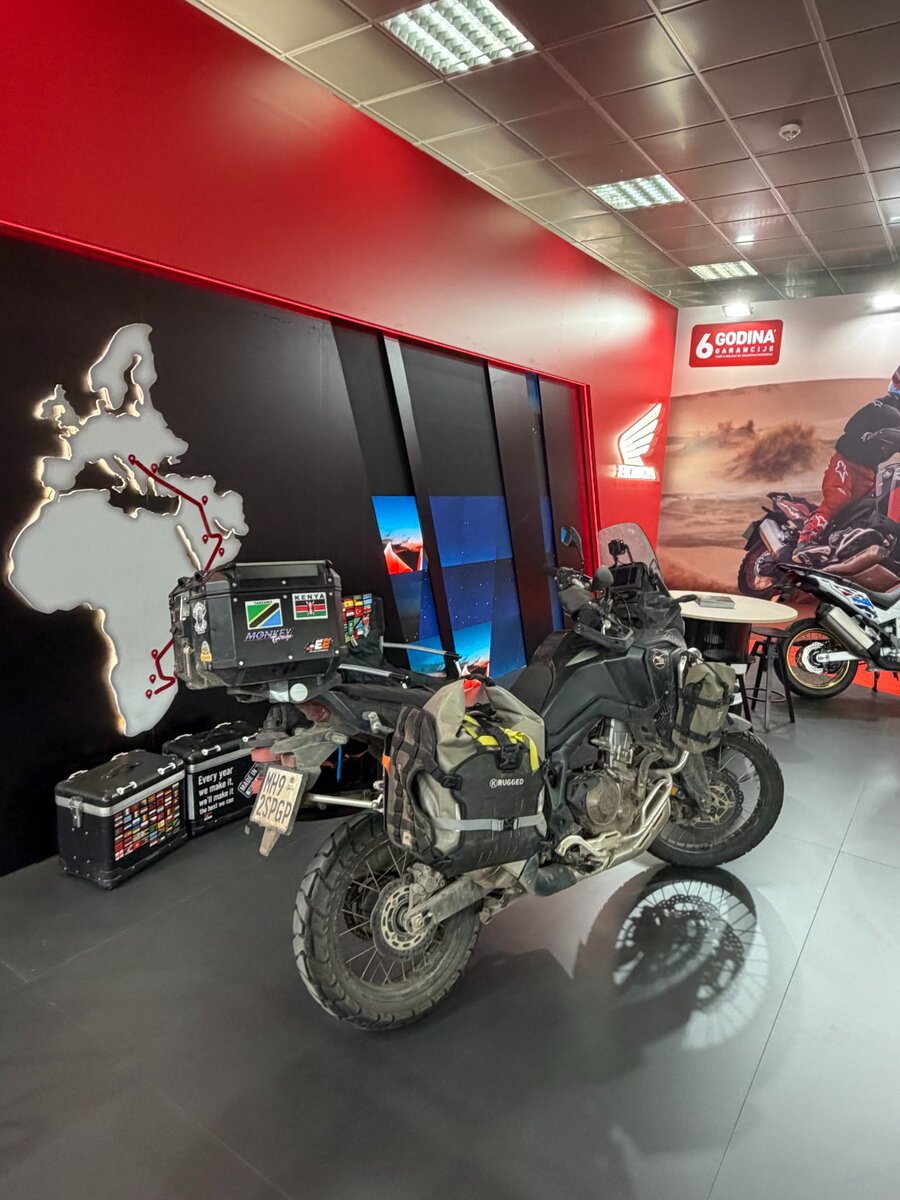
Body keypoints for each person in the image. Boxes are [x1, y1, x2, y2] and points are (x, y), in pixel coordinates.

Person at [791, 366, 900, 564]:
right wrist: (868, 436)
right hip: (847, 461)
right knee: (838, 498)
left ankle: (847, 546)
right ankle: (805, 541)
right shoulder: (880, 407)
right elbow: (852, 426)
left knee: (867, 509)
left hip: (869, 470)